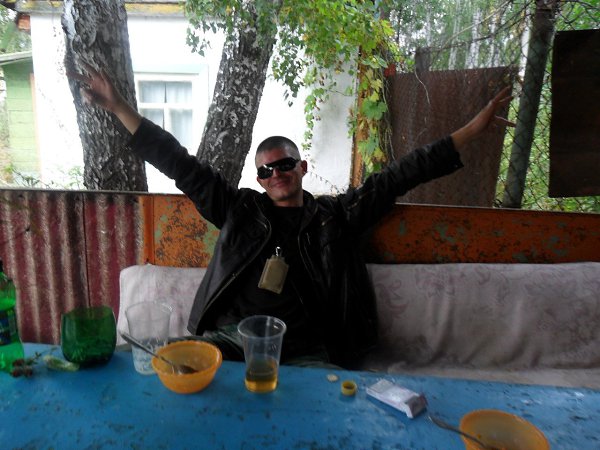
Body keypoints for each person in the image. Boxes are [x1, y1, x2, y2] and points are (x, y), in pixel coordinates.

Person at [69, 65, 513, 368]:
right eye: (266, 171)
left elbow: (402, 174)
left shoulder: (336, 217)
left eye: (284, 164)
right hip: (234, 340)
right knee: (164, 364)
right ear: (259, 180)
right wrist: (119, 106)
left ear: (302, 167)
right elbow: (178, 163)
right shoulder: (240, 210)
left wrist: (471, 131)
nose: (276, 174)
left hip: (308, 352)